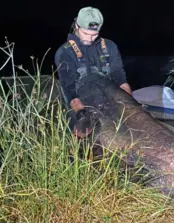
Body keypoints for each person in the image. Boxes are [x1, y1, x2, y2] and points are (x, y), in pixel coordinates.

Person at [54, 6, 132, 137]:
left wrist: (130, 105)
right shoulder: (64, 52)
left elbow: (120, 78)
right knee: (83, 133)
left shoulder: (110, 46)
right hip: (80, 102)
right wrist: (82, 114)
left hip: (108, 97)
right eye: (86, 34)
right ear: (77, 26)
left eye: (94, 35)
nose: (90, 39)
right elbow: (69, 89)